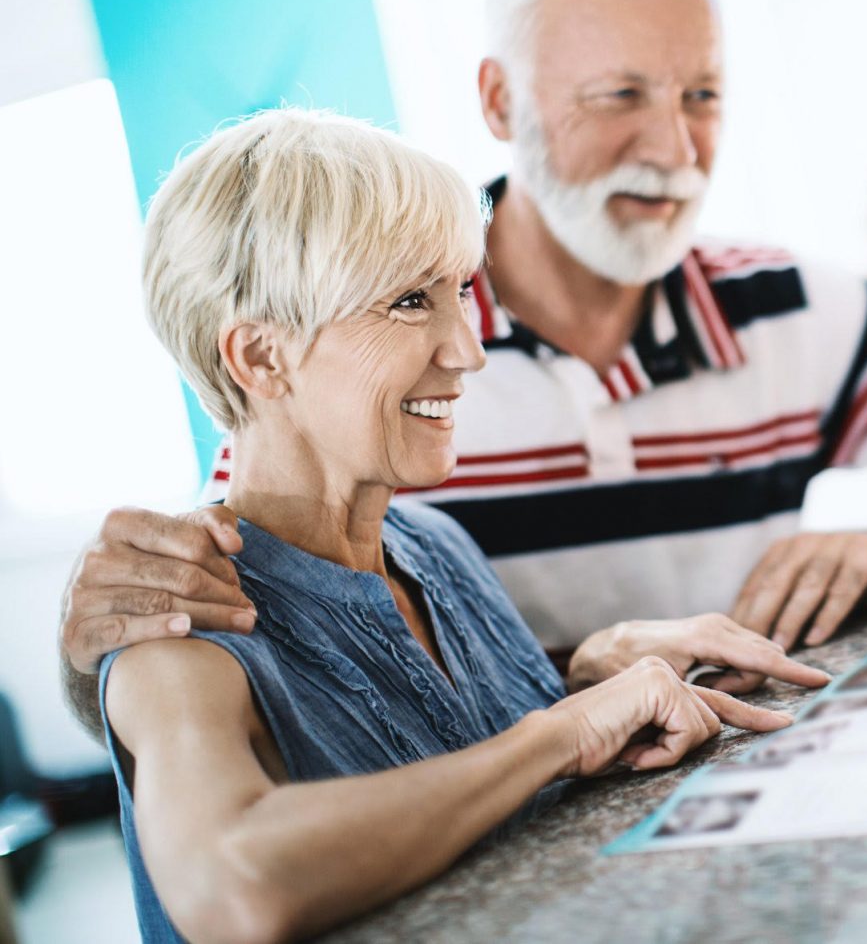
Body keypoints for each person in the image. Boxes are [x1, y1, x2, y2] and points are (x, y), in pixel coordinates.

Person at [59, 0, 867, 732]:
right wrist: (91, 652)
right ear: (498, 102)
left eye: (701, 96)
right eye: (619, 96)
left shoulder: (792, 306)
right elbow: (245, 643)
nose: (674, 149)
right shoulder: (371, 350)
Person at [105, 109, 792, 943]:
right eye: (408, 302)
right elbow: (233, 884)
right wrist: (560, 731)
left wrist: (584, 681)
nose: (466, 349)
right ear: (259, 358)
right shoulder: (181, 622)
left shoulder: (437, 546)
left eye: (461, 290)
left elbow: (481, 792)